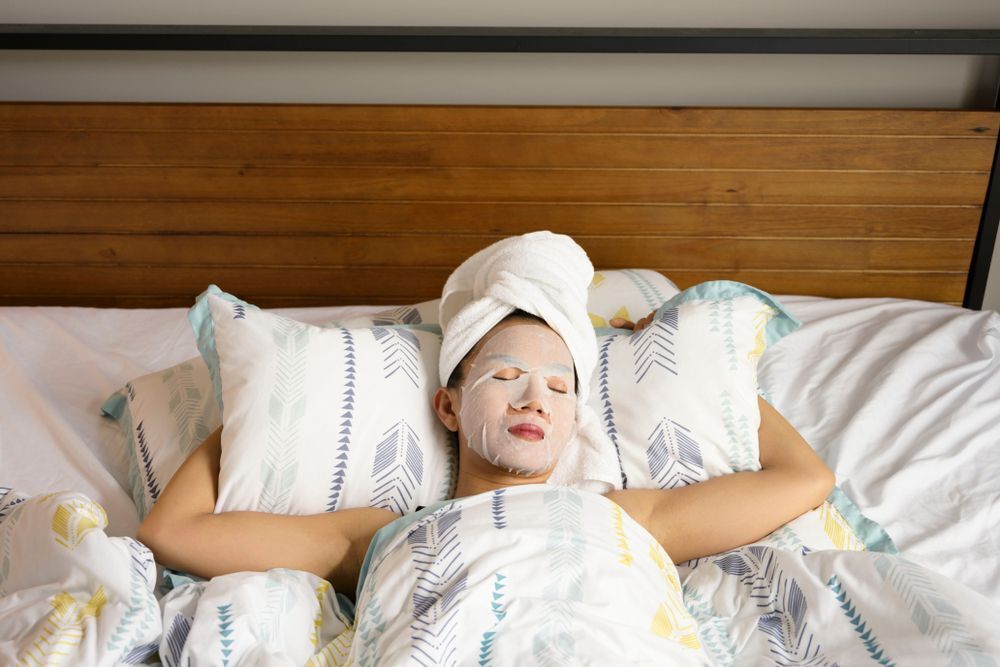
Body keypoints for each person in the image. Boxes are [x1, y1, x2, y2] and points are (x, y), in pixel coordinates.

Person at [137, 310, 834, 602]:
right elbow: (172, 533)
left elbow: (806, 478)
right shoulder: (377, 536)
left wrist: (708, 376)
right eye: (505, 376)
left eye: (559, 389)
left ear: (572, 424)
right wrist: (255, 402)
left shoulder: (625, 518)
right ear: (448, 406)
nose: (535, 398)